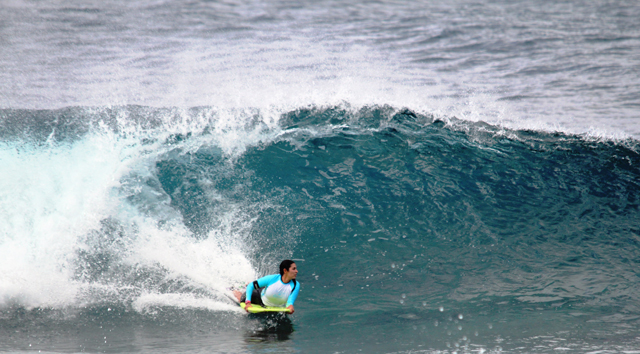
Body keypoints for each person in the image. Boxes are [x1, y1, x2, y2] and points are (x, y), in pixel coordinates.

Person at [233, 260, 300, 314]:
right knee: (242, 297)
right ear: (285, 270)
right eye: (294, 269)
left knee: (260, 287)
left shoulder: (295, 285)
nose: (296, 271)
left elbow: (290, 301)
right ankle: (234, 290)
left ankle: (250, 285)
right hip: (259, 297)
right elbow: (251, 286)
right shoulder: (272, 278)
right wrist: (248, 302)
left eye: (296, 269)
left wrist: (290, 306)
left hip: (270, 291)